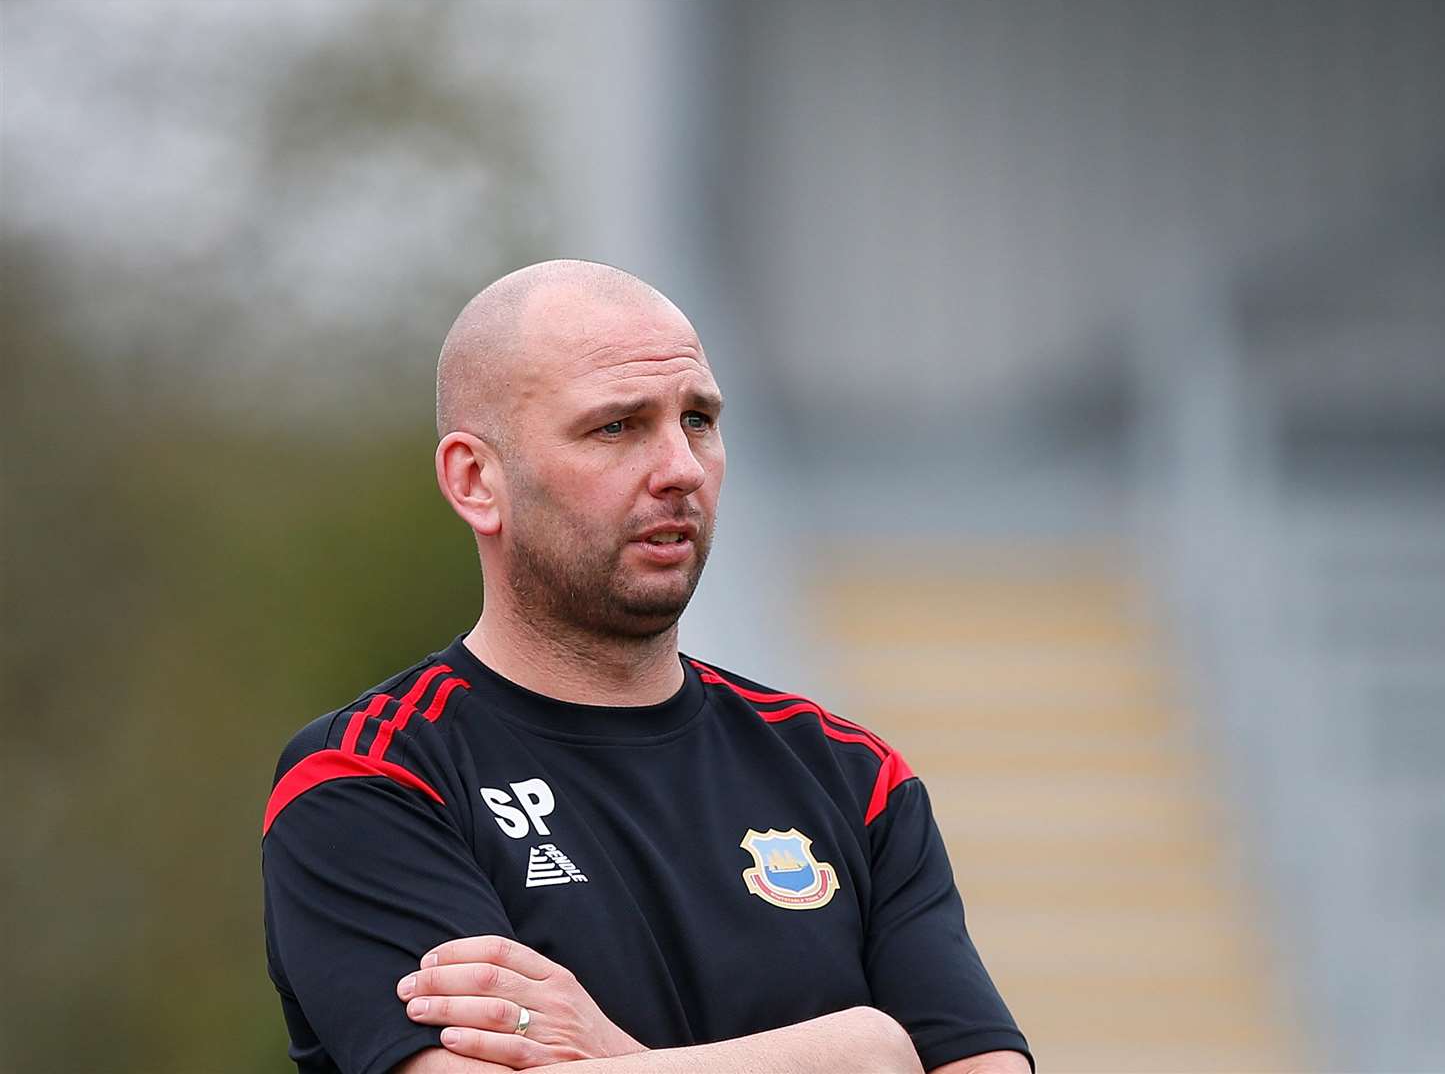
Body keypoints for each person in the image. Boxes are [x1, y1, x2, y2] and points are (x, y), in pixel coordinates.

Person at [261, 261, 1032, 1074]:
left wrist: (613, 1057)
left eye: (697, 419)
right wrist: (861, 1052)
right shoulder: (369, 778)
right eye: (617, 427)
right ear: (475, 480)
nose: (681, 469)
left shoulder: (852, 774)